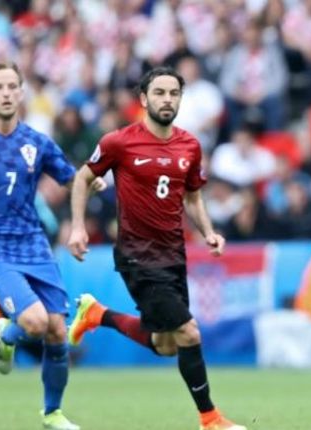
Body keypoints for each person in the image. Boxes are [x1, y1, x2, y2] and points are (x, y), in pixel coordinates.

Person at [65, 67, 246, 430]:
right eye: (160, 93)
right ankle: (210, 419)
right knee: (189, 332)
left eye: (173, 93)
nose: (167, 100)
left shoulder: (190, 146)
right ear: (144, 99)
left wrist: (208, 232)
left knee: (166, 345)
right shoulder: (119, 141)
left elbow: (192, 197)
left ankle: (97, 314)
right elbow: (84, 178)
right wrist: (78, 227)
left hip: (173, 254)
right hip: (136, 255)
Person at [0, 62, 104, 430]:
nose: (6, 93)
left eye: (12, 86)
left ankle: (52, 413)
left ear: (22, 92)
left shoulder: (37, 142)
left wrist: (89, 185)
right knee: (37, 321)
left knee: (59, 331)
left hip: (35, 245)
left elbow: (70, 179)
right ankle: (8, 333)